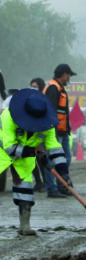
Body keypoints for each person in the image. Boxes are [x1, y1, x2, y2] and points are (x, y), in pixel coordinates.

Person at [0, 88, 72, 235]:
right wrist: (32, 151)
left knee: (25, 186)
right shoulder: (8, 116)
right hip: (3, 149)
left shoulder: (48, 123)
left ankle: (24, 226)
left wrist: (64, 172)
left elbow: (54, 148)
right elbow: (9, 147)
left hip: (25, 156)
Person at [43, 64, 76, 198]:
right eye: (69, 76)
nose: (69, 78)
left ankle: (61, 185)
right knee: (52, 161)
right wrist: (53, 132)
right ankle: (52, 189)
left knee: (65, 159)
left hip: (62, 132)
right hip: (54, 133)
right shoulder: (53, 88)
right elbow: (51, 111)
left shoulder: (59, 87)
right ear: (64, 74)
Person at [30, 78, 47, 192]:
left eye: (35, 86)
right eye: (31, 86)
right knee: (31, 160)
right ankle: (38, 182)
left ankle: (46, 182)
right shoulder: (29, 100)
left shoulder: (44, 100)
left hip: (41, 134)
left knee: (42, 160)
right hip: (30, 134)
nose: (33, 89)